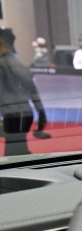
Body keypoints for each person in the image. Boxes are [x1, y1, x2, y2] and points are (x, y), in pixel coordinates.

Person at [0, 28, 47, 158]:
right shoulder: (20, 63)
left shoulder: (2, 64)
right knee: (20, 150)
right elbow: (33, 90)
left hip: (11, 115)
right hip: (26, 114)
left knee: (12, 156)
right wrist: (41, 113)